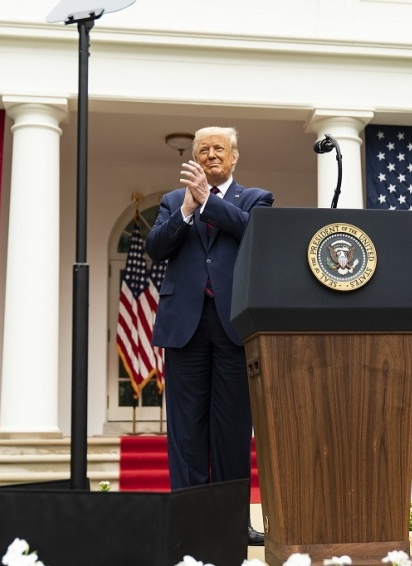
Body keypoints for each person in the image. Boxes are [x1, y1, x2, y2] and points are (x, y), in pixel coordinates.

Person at [146, 126, 273, 546]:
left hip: (234, 325)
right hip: (185, 328)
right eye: (204, 149)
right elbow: (156, 247)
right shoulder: (170, 202)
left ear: (235, 156)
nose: (211, 154)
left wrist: (207, 202)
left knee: (232, 429)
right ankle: (189, 520)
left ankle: (232, 522)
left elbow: (255, 235)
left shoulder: (256, 199)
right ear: (194, 158)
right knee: (185, 431)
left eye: (219, 148)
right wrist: (185, 210)